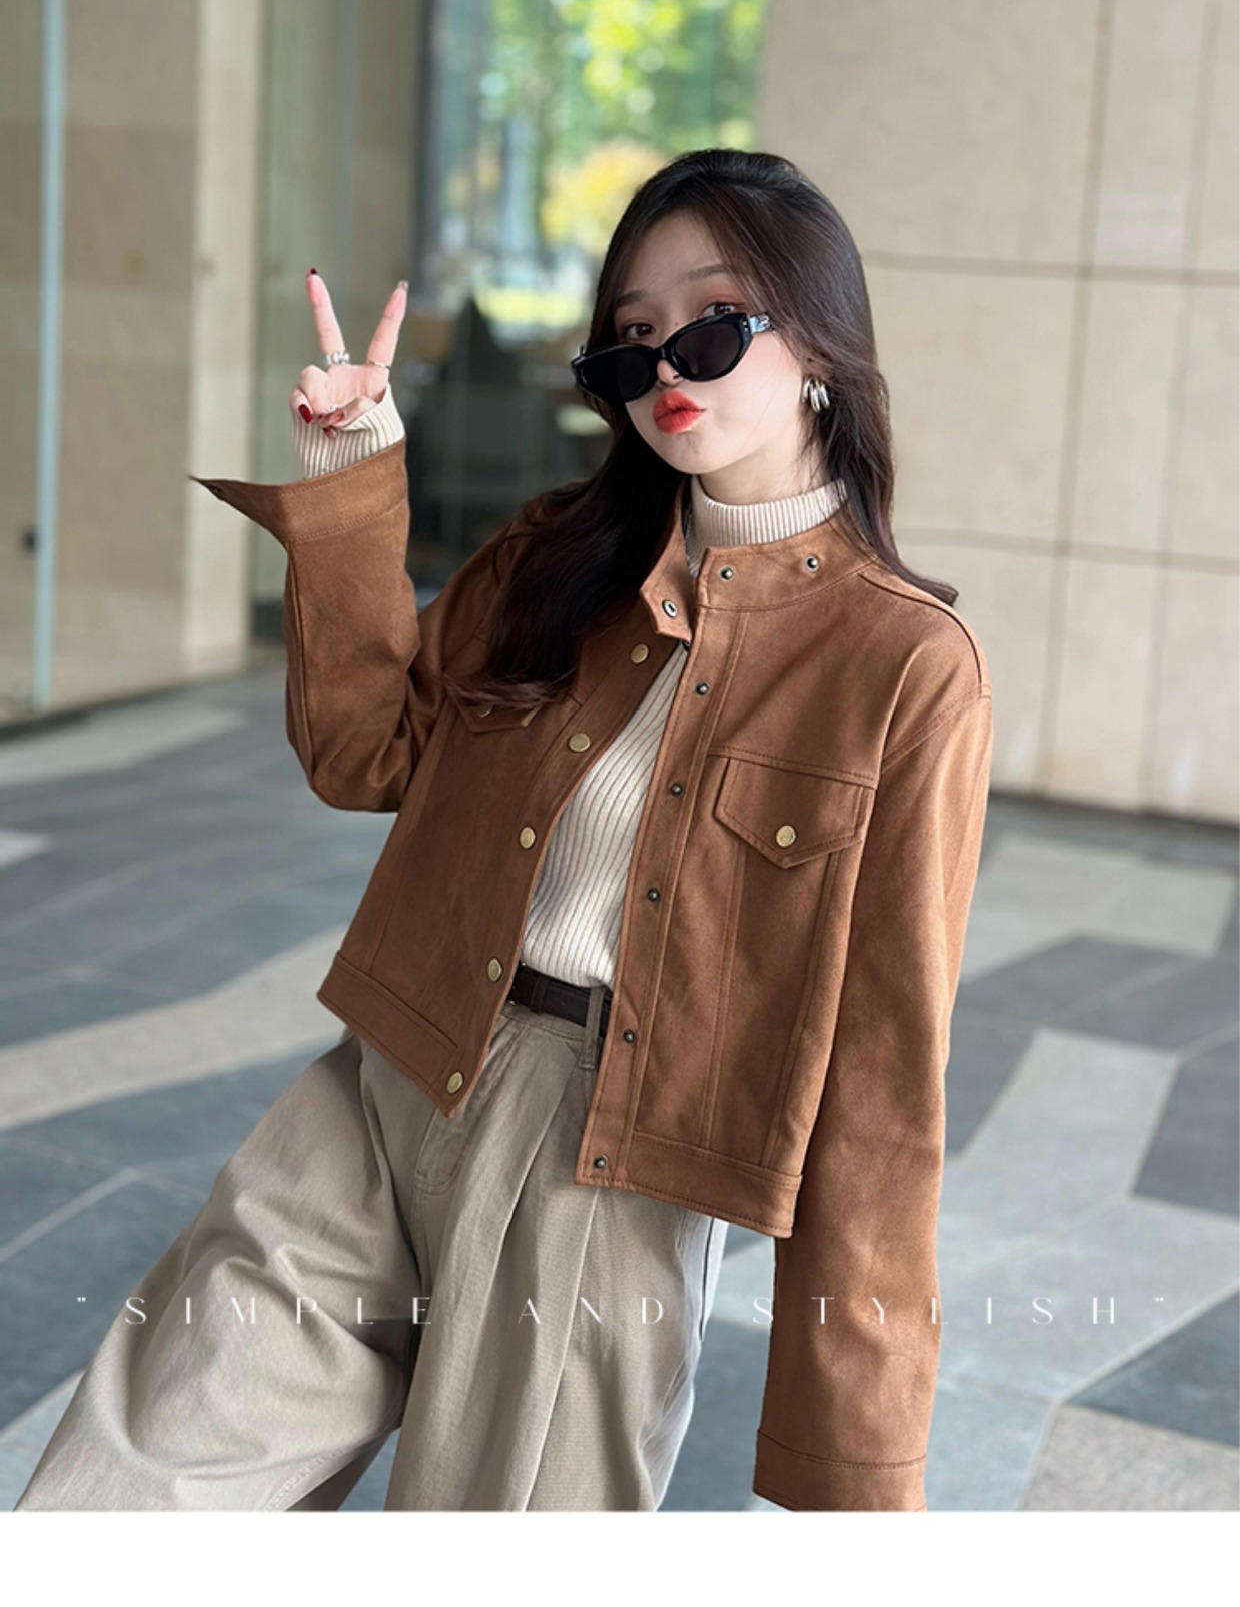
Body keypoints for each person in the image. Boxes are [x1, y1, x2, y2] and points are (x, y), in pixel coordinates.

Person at [14, 147, 993, 1512]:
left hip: (605, 1176)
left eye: (712, 324)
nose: (667, 368)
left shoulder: (905, 666)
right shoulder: (554, 561)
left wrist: (855, 1464)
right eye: (631, 342)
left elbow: (884, 1079)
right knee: (120, 1489)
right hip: (388, 1081)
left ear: (822, 339)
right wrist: (355, 475)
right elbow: (364, 751)